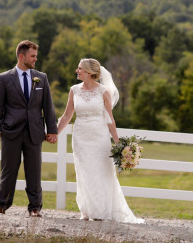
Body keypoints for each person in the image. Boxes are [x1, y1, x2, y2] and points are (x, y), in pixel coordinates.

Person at [57, 58, 144, 223]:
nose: (77, 71)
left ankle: (101, 211)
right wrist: (54, 133)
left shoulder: (103, 91)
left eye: (80, 68)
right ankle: (87, 210)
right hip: (80, 137)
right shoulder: (74, 90)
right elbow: (67, 115)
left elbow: (110, 119)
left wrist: (119, 144)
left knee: (101, 173)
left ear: (89, 72)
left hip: (99, 137)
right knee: (84, 173)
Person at [0, 40, 58, 217]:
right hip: (10, 131)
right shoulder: (4, 78)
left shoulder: (41, 77)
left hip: (34, 132)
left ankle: (35, 208)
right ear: (22, 56)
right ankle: (1, 205)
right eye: (32, 56)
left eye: (35, 56)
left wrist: (52, 130)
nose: (35, 59)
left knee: (34, 171)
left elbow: (48, 106)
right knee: (8, 170)